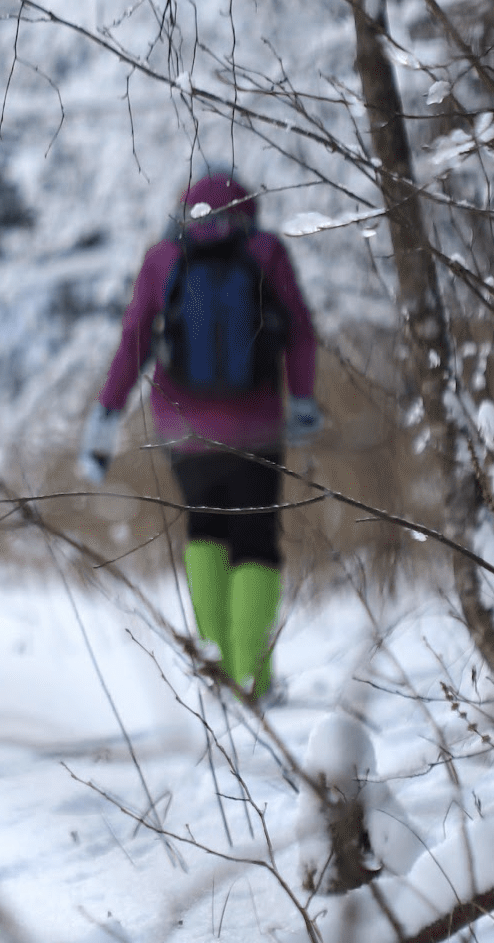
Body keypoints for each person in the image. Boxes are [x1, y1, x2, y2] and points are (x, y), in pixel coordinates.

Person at [78, 170, 318, 704]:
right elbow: (300, 331)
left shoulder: (163, 256)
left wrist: (106, 413)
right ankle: (253, 678)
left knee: (205, 530)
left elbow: (135, 340)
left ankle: (220, 672)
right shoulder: (265, 250)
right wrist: (302, 400)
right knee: (255, 542)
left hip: (183, 428)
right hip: (256, 426)